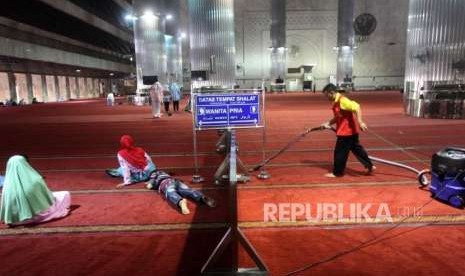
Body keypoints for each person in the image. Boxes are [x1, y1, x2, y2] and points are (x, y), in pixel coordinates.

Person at [320, 83, 375, 177]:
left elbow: (357, 107)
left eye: (326, 95)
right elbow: (338, 117)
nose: (326, 97)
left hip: (346, 133)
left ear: (331, 92)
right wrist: (327, 123)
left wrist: (360, 122)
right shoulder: (337, 101)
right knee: (357, 150)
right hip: (350, 132)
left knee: (340, 153)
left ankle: (337, 173)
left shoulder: (343, 101)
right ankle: (370, 165)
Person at [0, 155, 71, 226]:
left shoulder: (6, 185)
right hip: (37, 216)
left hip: (15, 220)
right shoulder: (35, 180)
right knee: (65, 194)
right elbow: (48, 199)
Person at [146, 169, 216, 215]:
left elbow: (149, 185)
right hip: (176, 181)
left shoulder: (154, 174)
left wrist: (149, 183)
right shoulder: (164, 173)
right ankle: (202, 197)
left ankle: (180, 201)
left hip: (166, 183)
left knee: (170, 193)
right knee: (188, 190)